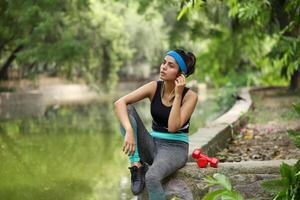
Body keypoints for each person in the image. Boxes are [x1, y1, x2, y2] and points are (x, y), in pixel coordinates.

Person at [114, 49, 198, 199]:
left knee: (152, 177)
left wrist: (178, 94)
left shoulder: (190, 96)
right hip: (152, 144)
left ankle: (145, 170)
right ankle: (136, 165)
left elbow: (173, 128)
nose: (164, 67)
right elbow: (119, 103)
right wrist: (129, 130)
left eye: (170, 65)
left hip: (175, 148)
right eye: (163, 62)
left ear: (181, 75)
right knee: (127, 110)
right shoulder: (154, 87)